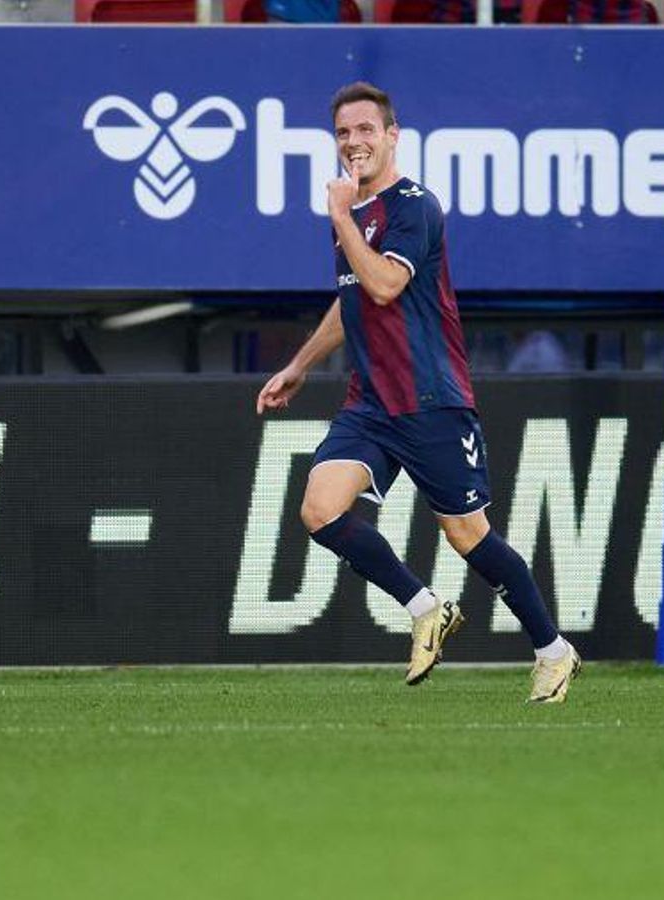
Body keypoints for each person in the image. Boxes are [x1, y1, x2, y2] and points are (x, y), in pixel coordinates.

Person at [256, 82, 581, 704]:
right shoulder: (354, 211)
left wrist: (341, 217)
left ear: (392, 135)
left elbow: (384, 284)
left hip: (430, 398)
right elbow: (353, 296)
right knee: (319, 509)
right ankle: (426, 607)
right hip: (371, 402)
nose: (354, 142)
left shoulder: (414, 206)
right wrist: (300, 364)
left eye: (365, 130)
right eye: (343, 132)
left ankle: (553, 650)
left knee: (468, 536)